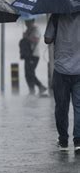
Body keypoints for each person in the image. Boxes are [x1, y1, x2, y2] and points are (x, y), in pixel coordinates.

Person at [44, 13, 80, 152]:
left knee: (61, 107)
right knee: (79, 107)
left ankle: (63, 141)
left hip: (61, 70)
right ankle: (78, 141)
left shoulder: (56, 16)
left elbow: (47, 39)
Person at [21, 19, 47, 95]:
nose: (26, 23)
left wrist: (27, 37)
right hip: (27, 55)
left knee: (30, 73)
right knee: (27, 74)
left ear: (32, 21)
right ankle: (33, 89)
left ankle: (37, 88)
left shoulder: (36, 29)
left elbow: (36, 40)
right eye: (25, 22)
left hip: (34, 55)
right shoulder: (27, 30)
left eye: (28, 22)